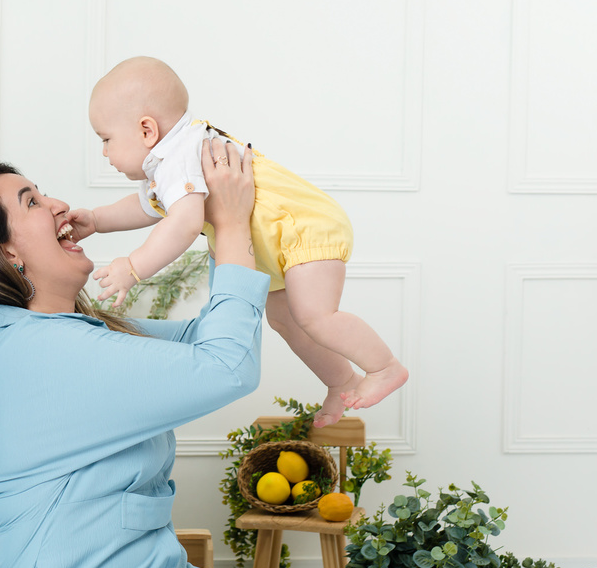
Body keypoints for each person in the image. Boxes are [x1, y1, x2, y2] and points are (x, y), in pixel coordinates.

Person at [0, 141, 291, 568]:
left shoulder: (64, 336)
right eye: (32, 202)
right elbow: (226, 366)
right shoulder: (37, 353)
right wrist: (229, 224)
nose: (58, 204)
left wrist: (203, 215)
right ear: (7, 252)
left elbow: (217, 337)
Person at [71, 56, 407, 425]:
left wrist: (133, 267)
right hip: (275, 245)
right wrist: (98, 220)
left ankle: (384, 367)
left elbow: (182, 224)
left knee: (315, 315)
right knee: (287, 322)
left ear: (147, 131)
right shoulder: (171, 161)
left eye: (106, 139)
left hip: (301, 228)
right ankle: (341, 381)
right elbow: (147, 206)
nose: (104, 153)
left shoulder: (179, 156)